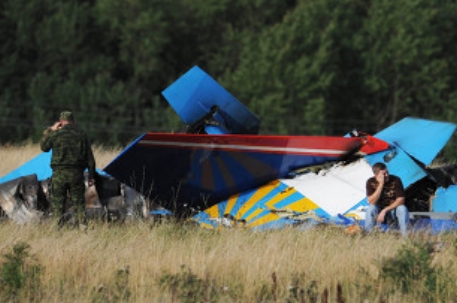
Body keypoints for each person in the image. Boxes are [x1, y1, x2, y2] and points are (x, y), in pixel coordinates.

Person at [40, 111, 96, 227]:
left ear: (60, 122)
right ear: (73, 122)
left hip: (59, 174)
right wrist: (91, 176)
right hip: (76, 174)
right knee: (79, 204)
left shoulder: (56, 134)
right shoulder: (81, 135)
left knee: (58, 204)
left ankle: (57, 229)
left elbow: (44, 147)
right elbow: (90, 158)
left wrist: (50, 130)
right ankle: (83, 228)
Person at [364, 162, 410, 237]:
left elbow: (401, 200)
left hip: (393, 210)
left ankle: (406, 237)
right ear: (376, 175)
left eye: (387, 172)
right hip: (378, 210)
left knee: (402, 208)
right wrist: (381, 184)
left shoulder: (396, 180)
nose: (387, 175)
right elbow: (371, 201)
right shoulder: (370, 182)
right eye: (384, 174)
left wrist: (385, 210)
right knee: (371, 209)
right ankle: (368, 236)